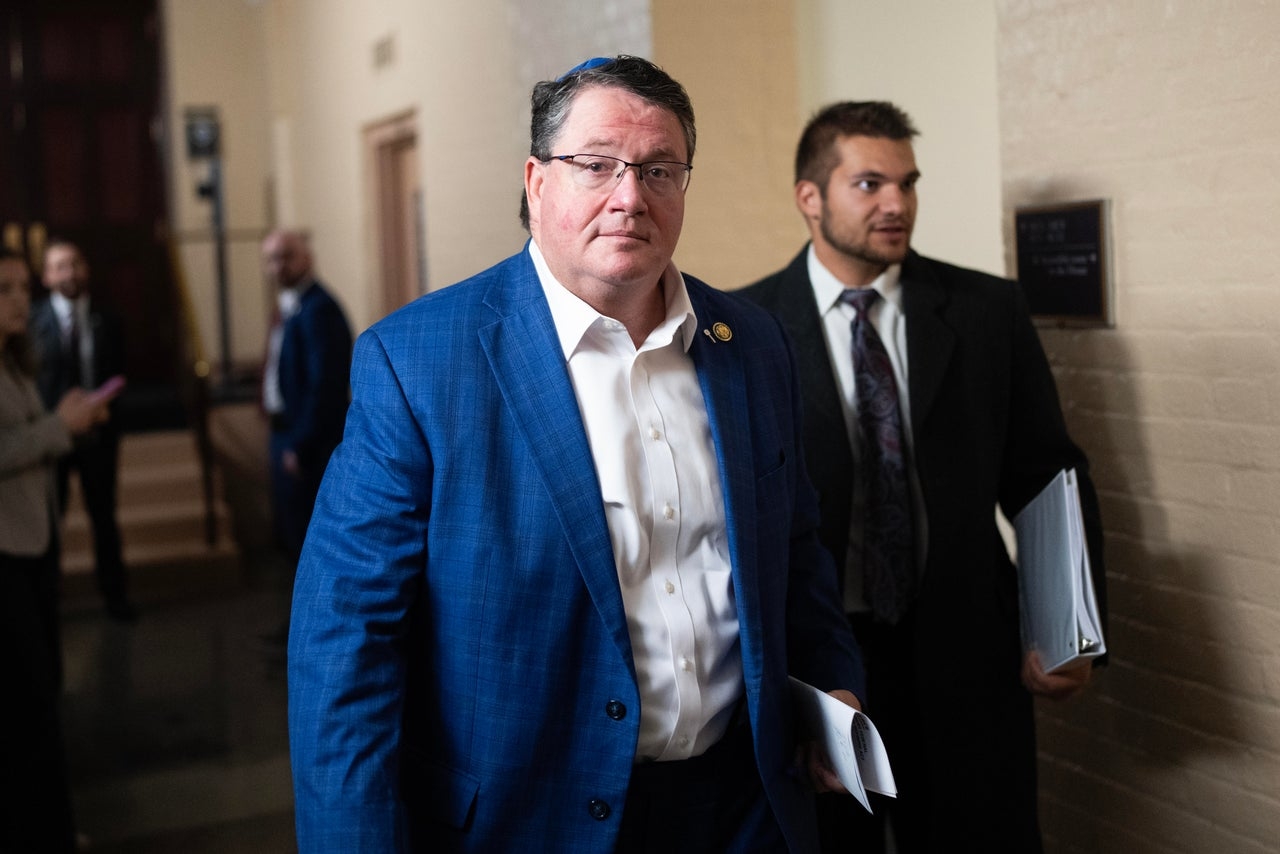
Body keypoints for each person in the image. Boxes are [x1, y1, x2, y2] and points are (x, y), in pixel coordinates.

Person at [288, 56, 866, 853]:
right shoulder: (419, 362)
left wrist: (834, 681)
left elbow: (796, 551)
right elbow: (345, 646)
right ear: (537, 183)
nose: (630, 197)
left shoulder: (753, 344)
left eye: (659, 169)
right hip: (528, 821)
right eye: (596, 165)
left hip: (744, 808)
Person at [740, 101, 1107, 853]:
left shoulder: (986, 311)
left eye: (907, 184)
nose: (896, 204)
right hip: (825, 666)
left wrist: (1068, 628)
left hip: (968, 648)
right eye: (869, 184)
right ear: (810, 197)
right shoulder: (745, 328)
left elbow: (1045, 473)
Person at [0, 248, 119, 852]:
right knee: (28, 697)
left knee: (43, 689)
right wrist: (59, 427)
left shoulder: (14, 358)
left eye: (24, 287)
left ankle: (47, 825)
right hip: (6, 549)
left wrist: (69, 424)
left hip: (32, 538)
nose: (21, 300)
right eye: (5, 289)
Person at [30, 237, 135, 622]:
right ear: (46, 276)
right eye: (60, 266)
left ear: (85, 269)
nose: (69, 272)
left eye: (74, 263)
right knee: (50, 522)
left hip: (98, 437)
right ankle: (47, 601)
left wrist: (106, 408)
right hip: (51, 438)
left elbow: (121, 373)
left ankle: (115, 596)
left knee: (104, 517)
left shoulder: (108, 318)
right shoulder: (31, 321)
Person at [258, 228, 352, 628]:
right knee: (288, 533)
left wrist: (300, 444)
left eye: (286, 256)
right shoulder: (289, 305)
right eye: (271, 259)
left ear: (307, 259)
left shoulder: (319, 309)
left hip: (306, 442)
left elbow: (324, 386)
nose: (277, 266)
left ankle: (317, 629)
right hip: (283, 433)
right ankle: (298, 626)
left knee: (309, 539)